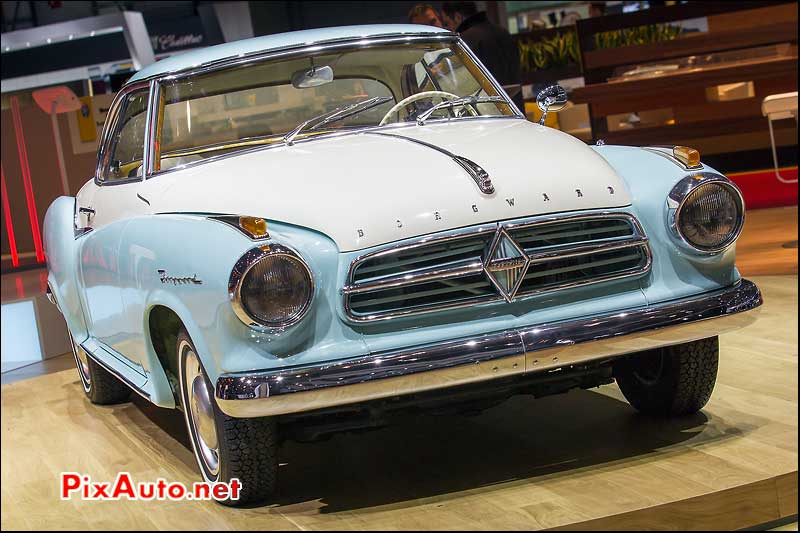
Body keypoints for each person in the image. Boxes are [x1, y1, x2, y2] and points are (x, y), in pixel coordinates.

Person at [440, 1, 522, 109]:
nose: (448, 28)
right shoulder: (503, 32)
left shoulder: (464, 42)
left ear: (457, 17)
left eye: (447, 23)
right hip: (516, 109)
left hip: (489, 114)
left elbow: (458, 86)